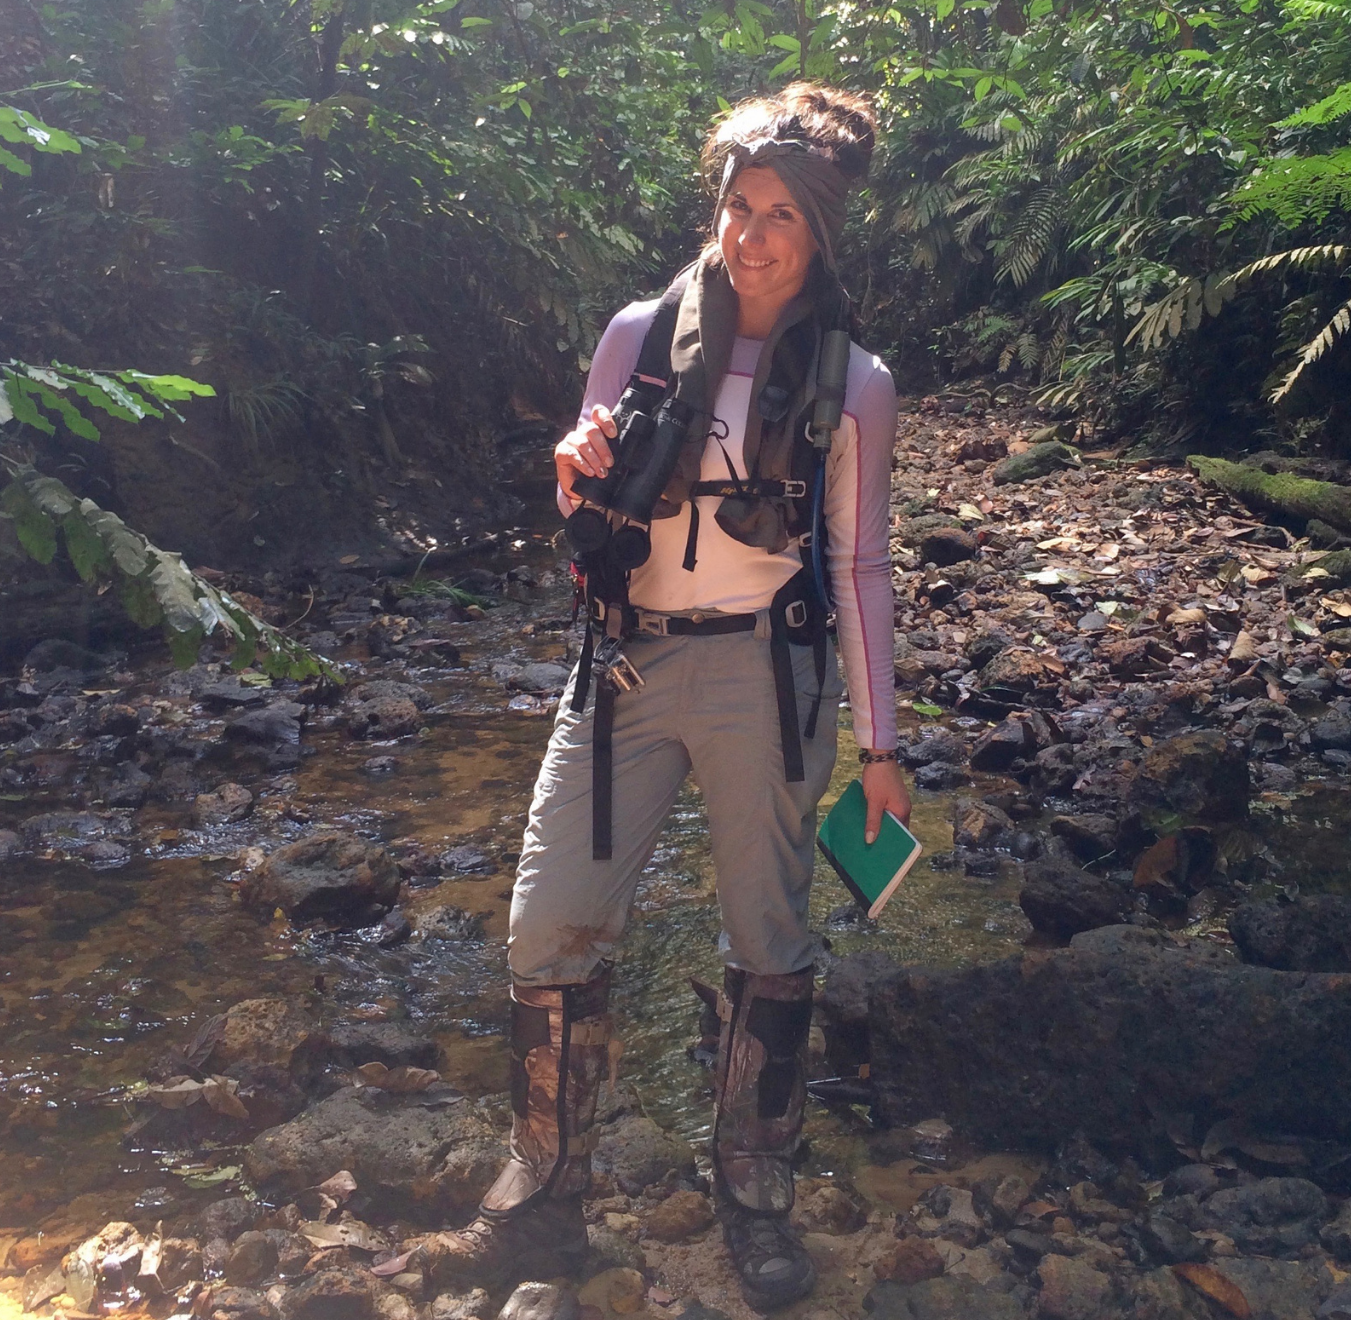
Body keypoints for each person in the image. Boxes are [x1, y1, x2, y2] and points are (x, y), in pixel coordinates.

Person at [428, 82, 908, 1312]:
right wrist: (571, 473)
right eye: (737, 207)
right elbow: (585, 510)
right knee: (548, 924)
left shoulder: (855, 383)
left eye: (781, 217)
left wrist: (880, 746)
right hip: (627, 658)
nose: (750, 236)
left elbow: (857, 564)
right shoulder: (639, 332)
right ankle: (543, 1188)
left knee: (769, 937)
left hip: (771, 667)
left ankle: (752, 1190)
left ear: (822, 235)